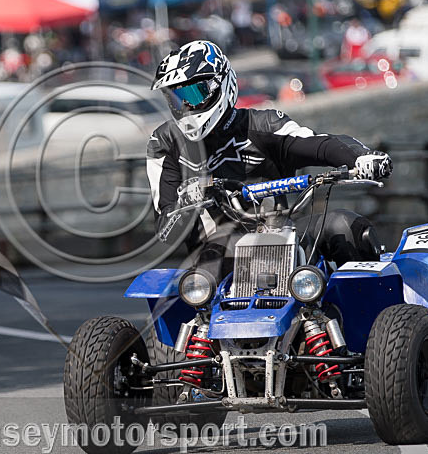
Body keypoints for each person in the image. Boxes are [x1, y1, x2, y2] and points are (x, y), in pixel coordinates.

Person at [147, 40, 392, 277]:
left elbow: (321, 144)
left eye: (193, 93)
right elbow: (166, 232)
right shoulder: (165, 144)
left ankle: (370, 314)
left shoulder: (264, 124)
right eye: (177, 98)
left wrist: (362, 157)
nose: (187, 106)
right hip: (214, 255)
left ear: (220, 84)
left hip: (282, 235)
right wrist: (183, 205)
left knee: (345, 227)